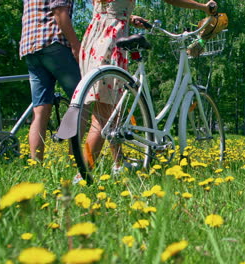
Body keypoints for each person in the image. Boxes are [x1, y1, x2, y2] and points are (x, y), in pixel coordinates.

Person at [67, 0, 217, 181]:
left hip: (94, 38)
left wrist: (127, 17)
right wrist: (203, 7)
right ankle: (82, 176)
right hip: (111, 39)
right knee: (102, 116)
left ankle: (118, 165)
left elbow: (108, 8)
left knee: (110, 110)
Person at [20, 0, 81, 161]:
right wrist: (75, 45)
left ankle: (35, 163)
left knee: (39, 110)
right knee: (81, 99)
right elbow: (59, 10)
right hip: (53, 43)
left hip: (29, 47)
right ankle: (75, 161)